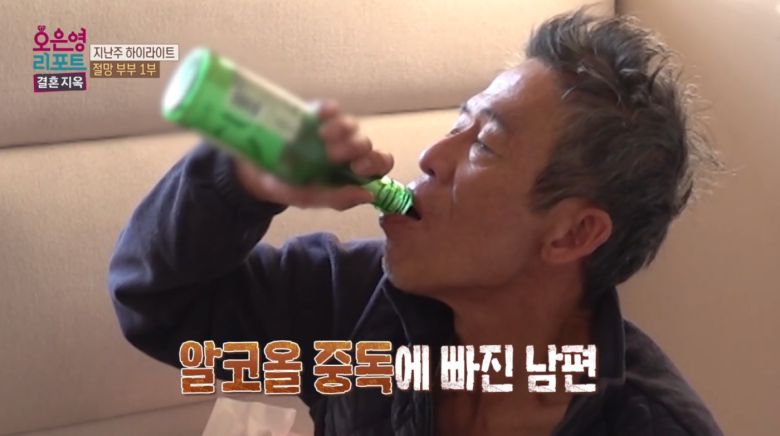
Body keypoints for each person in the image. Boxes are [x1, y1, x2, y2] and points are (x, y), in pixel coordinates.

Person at [108, 8, 724, 436]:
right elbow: (160, 309)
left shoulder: (649, 424)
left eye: (485, 145)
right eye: (459, 123)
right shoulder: (354, 307)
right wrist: (238, 184)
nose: (432, 155)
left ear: (572, 234)